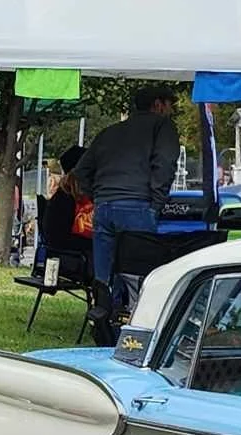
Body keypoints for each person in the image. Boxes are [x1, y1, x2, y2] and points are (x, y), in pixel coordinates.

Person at [76, 88, 180, 309]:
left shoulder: (109, 132)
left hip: (104, 207)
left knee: (103, 278)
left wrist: (98, 196)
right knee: (140, 279)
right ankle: (137, 326)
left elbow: (81, 170)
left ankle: (102, 322)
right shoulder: (163, 127)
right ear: (158, 104)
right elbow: (164, 165)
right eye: (170, 105)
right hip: (139, 206)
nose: (172, 110)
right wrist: (156, 203)